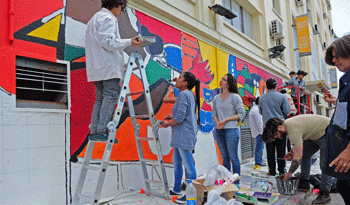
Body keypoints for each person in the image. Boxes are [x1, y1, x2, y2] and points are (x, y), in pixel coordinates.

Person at [85, 0, 141, 140]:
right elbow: (108, 42)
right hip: (108, 67)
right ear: (116, 5)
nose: (121, 12)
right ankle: (101, 130)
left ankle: (95, 130)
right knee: (109, 97)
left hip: (98, 67)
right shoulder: (109, 18)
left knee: (100, 99)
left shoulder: (94, 19)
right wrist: (130, 42)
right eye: (121, 8)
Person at [262, 115, 334, 204]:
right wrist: (291, 152)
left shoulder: (292, 129)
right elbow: (299, 146)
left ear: (279, 127)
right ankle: (304, 182)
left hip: (328, 131)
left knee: (325, 163)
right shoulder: (289, 127)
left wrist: (288, 175)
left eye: (277, 135)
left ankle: (325, 194)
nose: (279, 138)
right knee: (305, 155)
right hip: (315, 134)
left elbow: (297, 157)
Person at [160, 71, 200, 203]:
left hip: (184, 135)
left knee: (188, 166)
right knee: (177, 163)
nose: (176, 79)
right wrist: (173, 117)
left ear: (185, 83)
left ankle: (191, 195)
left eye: (180, 78)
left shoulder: (184, 94)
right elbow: (185, 114)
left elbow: (182, 117)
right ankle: (177, 189)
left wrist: (167, 124)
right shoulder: (188, 94)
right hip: (181, 135)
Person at [322, 34, 350, 205]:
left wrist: (348, 150)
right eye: (332, 57)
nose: (334, 60)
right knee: (343, 186)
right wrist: (335, 101)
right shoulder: (346, 81)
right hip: (342, 151)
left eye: (337, 55)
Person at [212, 74, 245, 176]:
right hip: (219, 130)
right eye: (221, 78)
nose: (221, 81)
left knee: (233, 156)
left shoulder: (235, 97)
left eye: (224, 79)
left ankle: (236, 182)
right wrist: (217, 123)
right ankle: (226, 182)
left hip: (231, 130)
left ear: (229, 83)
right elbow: (214, 114)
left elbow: (241, 114)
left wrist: (226, 120)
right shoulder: (216, 98)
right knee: (224, 157)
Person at [259, 78, 290, 176]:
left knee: (270, 150)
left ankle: (271, 171)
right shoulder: (282, 97)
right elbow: (287, 111)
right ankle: (281, 170)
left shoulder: (261, 98)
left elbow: (260, 112)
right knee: (281, 150)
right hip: (280, 127)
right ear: (276, 86)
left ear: (267, 87)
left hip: (268, 128)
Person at [249, 97, 266, 167]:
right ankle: (258, 161)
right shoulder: (256, 110)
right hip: (259, 132)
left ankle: (259, 160)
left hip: (258, 131)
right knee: (259, 146)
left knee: (260, 146)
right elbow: (259, 123)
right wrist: (263, 132)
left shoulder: (255, 109)